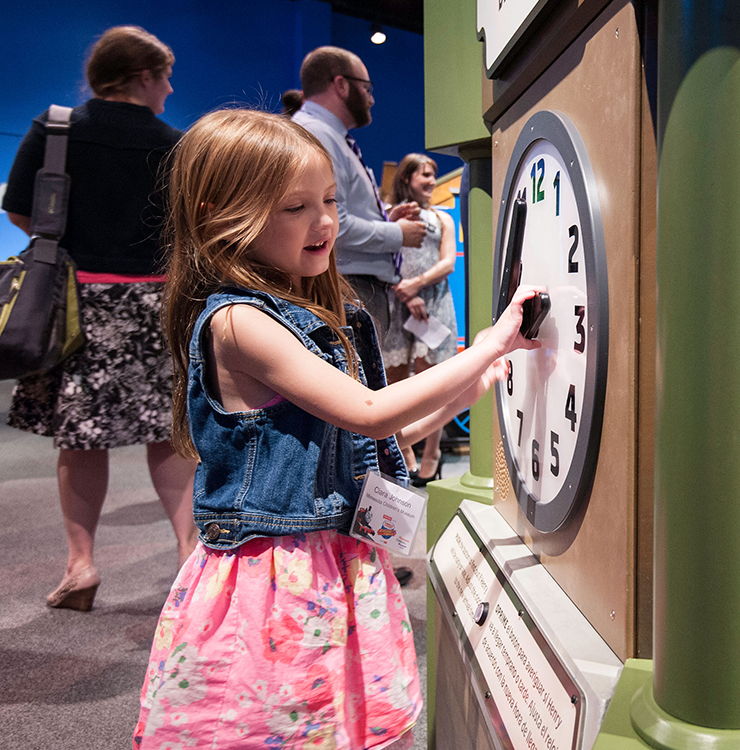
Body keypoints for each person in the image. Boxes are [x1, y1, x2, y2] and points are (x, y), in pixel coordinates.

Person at [133, 108, 539, 748]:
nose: (324, 222)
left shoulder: (315, 311)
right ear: (220, 215)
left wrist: (471, 384)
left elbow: (368, 440)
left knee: (335, 727)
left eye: (328, 200)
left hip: (332, 563)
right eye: (294, 208)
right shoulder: (237, 322)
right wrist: (485, 347)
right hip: (276, 580)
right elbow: (369, 411)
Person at [2, 25, 197, 611]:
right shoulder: (175, 143)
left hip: (76, 304)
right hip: (155, 303)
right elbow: (188, 229)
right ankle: (190, 558)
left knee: (80, 441)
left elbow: (19, 212)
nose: (168, 87)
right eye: (164, 76)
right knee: (168, 437)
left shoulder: (55, 127)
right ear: (143, 76)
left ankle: (81, 567)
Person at [291, 46, 425, 337]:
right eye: (367, 88)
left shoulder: (327, 135)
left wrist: (388, 218)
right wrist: (398, 234)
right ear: (341, 85)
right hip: (348, 286)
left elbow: (335, 211)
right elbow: (324, 224)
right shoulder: (317, 135)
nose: (371, 98)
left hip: (353, 287)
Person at [382, 154, 460, 484]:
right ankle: (405, 450)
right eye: (424, 174)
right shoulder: (388, 216)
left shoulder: (442, 218)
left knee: (432, 383)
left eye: (434, 175)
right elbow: (380, 257)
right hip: (395, 303)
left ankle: (432, 452)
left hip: (433, 304)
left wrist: (417, 285)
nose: (431, 180)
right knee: (395, 381)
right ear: (406, 178)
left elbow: (447, 263)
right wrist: (406, 292)